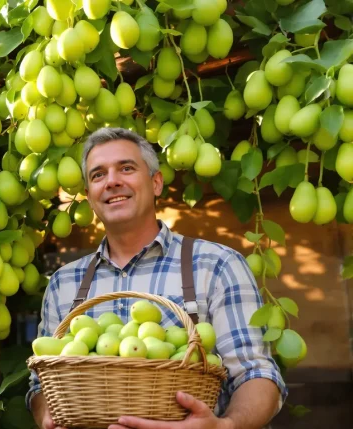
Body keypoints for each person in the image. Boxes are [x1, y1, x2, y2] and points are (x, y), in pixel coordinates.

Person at [26, 128, 287, 429]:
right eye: (98, 175)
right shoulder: (64, 284)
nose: (112, 181)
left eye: (126, 168)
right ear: (89, 196)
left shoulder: (215, 265)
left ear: (156, 183)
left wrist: (223, 427)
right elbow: (40, 384)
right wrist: (46, 414)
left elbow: (256, 374)